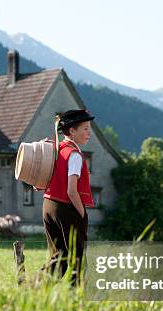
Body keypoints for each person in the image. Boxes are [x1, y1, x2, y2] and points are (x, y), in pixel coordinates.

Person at [42, 109, 95, 285]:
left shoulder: (57, 148)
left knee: (60, 256)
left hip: (48, 205)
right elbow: (72, 191)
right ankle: (75, 299)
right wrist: (82, 214)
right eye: (85, 128)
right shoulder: (74, 155)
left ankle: (34, 289)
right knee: (78, 259)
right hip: (66, 208)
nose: (89, 133)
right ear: (72, 131)